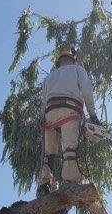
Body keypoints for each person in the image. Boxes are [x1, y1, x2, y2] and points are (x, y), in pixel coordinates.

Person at [38, 49, 99, 193]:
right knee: (69, 148)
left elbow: (44, 100)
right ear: (73, 60)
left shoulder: (50, 77)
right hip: (69, 109)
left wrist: (42, 119)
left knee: (49, 153)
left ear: (59, 62)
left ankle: (44, 184)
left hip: (49, 112)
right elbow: (87, 91)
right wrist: (93, 115)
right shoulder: (78, 70)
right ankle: (70, 182)